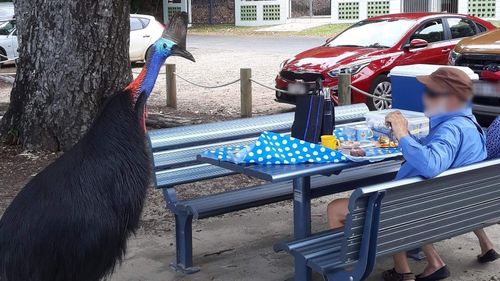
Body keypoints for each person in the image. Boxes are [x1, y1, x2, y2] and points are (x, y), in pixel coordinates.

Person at [327, 67, 498, 281]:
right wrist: (406, 138)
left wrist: (401, 132)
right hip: (445, 208)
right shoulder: (469, 125)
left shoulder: (451, 130)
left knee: (338, 208)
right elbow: (438, 154)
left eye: (432, 93)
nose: (424, 97)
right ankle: (406, 269)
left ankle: (345, 273)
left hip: (420, 212)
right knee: (398, 199)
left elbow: (431, 164)